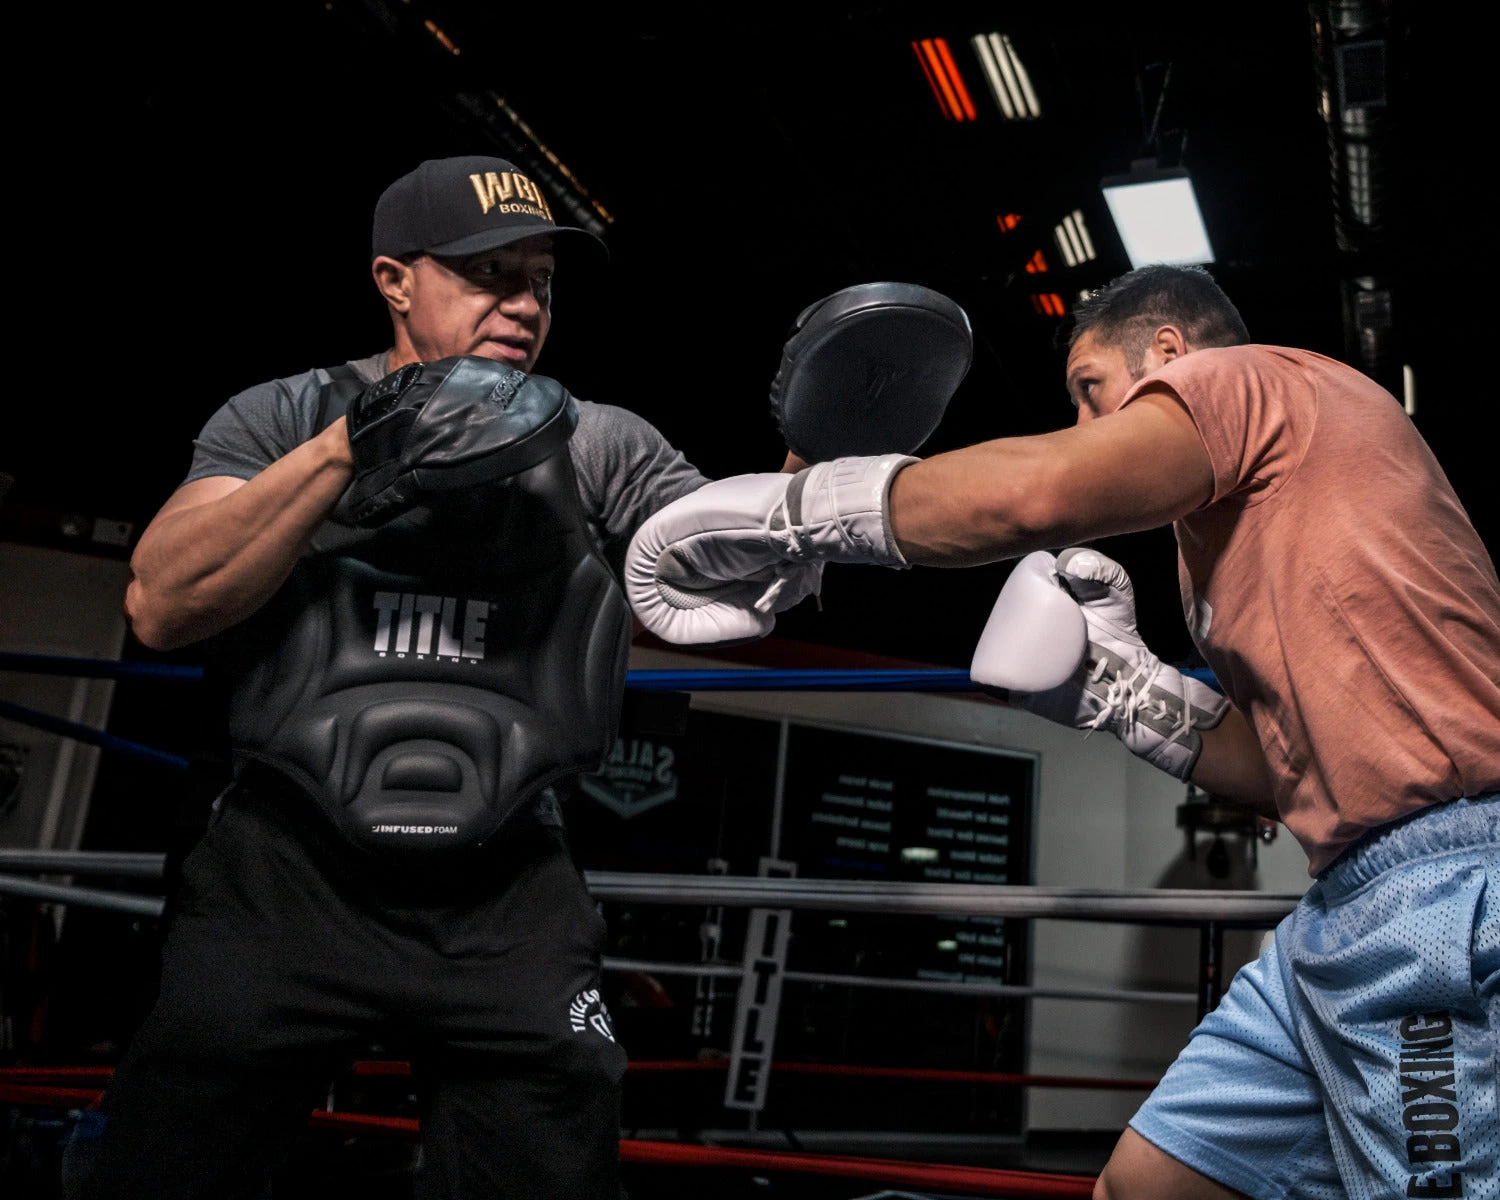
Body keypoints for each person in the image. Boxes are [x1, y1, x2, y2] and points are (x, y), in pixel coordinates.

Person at [627, 264, 1500, 1199]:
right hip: (1343, 901)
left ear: (1168, 351)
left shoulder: (1253, 381)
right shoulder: (1233, 537)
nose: (1083, 422)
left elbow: (1036, 494)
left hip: (1442, 882)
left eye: (1090, 388)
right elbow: (1290, 775)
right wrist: (1130, 697)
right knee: (1141, 1187)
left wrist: (793, 514)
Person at [95, 154, 714, 1200]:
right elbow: (161, 603)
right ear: (394, 280)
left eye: (541, 282)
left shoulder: (600, 442)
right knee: (171, 1159)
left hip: (506, 882)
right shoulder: (285, 414)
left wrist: (806, 488)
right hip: (286, 869)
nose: (525, 306)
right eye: (489, 275)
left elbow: (729, 564)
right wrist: (349, 448)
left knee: (554, 1158)